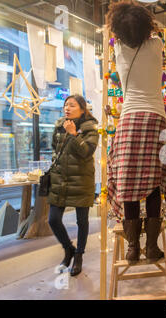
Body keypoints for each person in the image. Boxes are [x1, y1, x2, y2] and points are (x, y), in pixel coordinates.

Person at [106, 1, 166, 265]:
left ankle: (132, 247)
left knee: (127, 185)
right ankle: (152, 247)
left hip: (128, 120)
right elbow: (155, 30)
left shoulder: (119, 48)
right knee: (154, 182)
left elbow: (119, 33)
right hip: (155, 119)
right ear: (145, 24)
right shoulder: (157, 45)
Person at [48, 95, 99, 276]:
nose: (67, 108)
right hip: (60, 179)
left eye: (72, 105)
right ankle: (68, 248)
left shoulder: (90, 128)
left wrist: (74, 134)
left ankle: (78, 256)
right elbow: (55, 149)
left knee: (82, 221)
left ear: (83, 109)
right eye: (65, 105)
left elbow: (86, 152)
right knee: (53, 219)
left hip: (81, 180)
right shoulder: (59, 125)